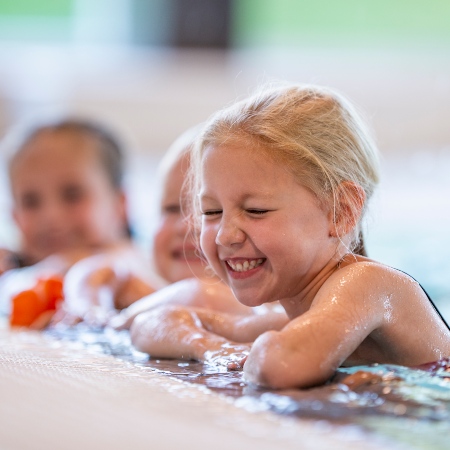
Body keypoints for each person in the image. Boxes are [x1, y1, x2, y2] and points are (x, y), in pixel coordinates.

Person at [128, 83, 450, 389]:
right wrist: (211, 347)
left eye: (256, 210)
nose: (225, 235)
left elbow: (279, 365)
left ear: (341, 211)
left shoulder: (368, 283)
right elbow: (152, 324)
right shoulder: (295, 317)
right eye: (211, 212)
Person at [0, 117, 149, 322]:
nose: (51, 216)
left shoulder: (131, 263)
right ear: (14, 216)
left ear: (120, 204)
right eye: (31, 202)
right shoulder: (16, 266)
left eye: (72, 195)